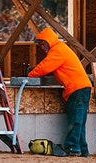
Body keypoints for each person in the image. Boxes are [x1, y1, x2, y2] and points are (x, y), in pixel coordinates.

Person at [28, 28, 92, 157]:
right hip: (82, 88)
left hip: (77, 89)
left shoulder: (57, 51)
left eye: (42, 44)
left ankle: (73, 148)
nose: (41, 47)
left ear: (48, 42)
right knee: (80, 121)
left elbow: (45, 67)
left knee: (75, 121)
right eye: (40, 45)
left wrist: (30, 75)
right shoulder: (61, 48)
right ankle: (82, 150)